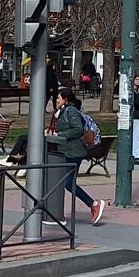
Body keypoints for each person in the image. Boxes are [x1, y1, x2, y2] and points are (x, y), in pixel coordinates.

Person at [47, 88, 105, 225]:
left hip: (73, 152)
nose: (56, 100)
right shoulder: (62, 112)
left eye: (59, 98)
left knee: (67, 183)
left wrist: (60, 135)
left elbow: (78, 129)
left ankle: (93, 204)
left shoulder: (71, 111)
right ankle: (57, 213)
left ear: (66, 99)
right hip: (66, 151)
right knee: (61, 182)